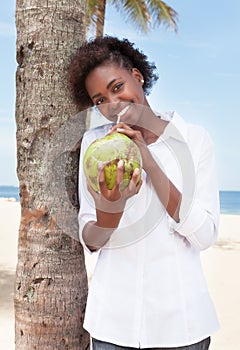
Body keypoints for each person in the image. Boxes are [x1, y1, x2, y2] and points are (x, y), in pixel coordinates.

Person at [68, 36, 220, 350]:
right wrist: (112, 207)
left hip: (182, 327)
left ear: (137, 77)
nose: (112, 105)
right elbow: (93, 241)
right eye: (99, 100)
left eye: (116, 87)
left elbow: (204, 236)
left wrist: (147, 161)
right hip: (113, 325)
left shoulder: (193, 140)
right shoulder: (94, 145)